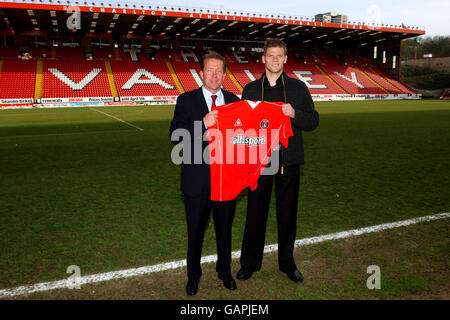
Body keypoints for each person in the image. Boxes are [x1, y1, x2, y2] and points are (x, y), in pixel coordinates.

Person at [236, 38, 319, 283]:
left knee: (287, 215)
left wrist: (294, 113)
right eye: (270, 55)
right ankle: (250, 264)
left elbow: (313, 121)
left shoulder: (298, 88)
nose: (274, 60)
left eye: (278, 56)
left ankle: (287, 264)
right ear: (263, 59)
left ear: (285, 58)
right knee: (255, 214)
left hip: (289, 161)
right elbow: (242, 127)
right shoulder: (250, 89)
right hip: (259, 163)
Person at [169, 51, 240, 296]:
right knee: (195, 233)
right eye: (209, 70)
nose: (214, 75)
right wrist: (203, 122)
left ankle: (225, 271)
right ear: (201, 73)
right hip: (197, 182)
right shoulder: (186, 100)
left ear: (224, 74)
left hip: (226, 182)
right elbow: (175, 135)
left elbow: (240, 139)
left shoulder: (233, 99)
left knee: (224, 230)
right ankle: (193, 276)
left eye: (218, 71)